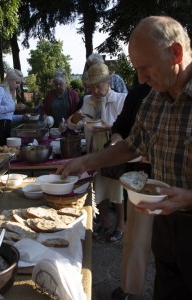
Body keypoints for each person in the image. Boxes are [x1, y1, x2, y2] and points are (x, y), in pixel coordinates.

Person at [57, 16, 192, 299]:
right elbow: (132, 146)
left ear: (176, 53)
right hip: (166, 227)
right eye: (136, 69)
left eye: (145, 68)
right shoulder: (154, 99)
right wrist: (84, 162)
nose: (140, 79)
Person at [68, 62, 127, 243]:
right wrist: (74, 118)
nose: (94, 90)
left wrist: (111, 128)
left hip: (113, 151)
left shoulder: (120, 99)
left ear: (107, 81)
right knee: (98, 188)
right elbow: (73, 125)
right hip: (93, 151)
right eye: (91, 87)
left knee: (116, 189)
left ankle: (120, 226)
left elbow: (127, 129)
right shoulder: (87, 101)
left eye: (98, 85)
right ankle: (106, 224)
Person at [110, 83, 153, 299]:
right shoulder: (138, 92)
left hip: (180, 186)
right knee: (136, 237)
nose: (143, 75)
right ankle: (129, 288)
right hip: (140, 178)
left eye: (146, 66)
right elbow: (121, 125)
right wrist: (116, 141)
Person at [0, 68, 27, 146]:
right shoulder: (0, 90)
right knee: (0, 155)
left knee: (8, 153)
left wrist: (22, 117)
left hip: (6, 128)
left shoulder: (9, 93)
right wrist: (14, 107)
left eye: (19, 83)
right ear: (10, 80)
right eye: (17, 82)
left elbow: (8, 117)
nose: (18, 86)